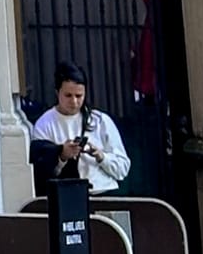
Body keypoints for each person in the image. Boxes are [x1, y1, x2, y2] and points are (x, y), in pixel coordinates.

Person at [32, 61, 132, 193]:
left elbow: (123, 169)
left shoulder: (100, 120)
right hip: (68, 196)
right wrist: (61, 155)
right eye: (68, 95)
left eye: (79, 96)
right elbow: (39, 174)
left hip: (104, 192)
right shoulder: (44, 124)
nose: (74, 101)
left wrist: (101, 156)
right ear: (57, 92)